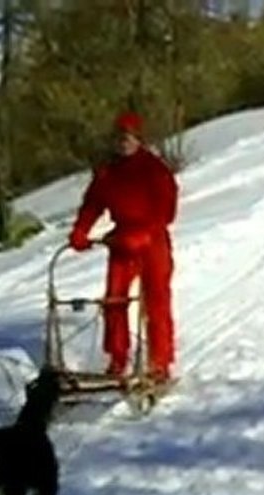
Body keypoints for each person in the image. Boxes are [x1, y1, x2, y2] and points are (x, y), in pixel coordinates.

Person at [68, 111, 179, 383]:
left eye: (128, 138)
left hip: (152, 241)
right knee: (114, 301)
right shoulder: (108, 172)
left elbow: (166, 210)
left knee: (156, 302)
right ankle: (118, 357)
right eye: (119, 138)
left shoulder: (154, 169)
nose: (123, 143)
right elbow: (93, 203)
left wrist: (144, 234)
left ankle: (160, 362)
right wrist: (81, 230)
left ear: (138, 139)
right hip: (122, 240)